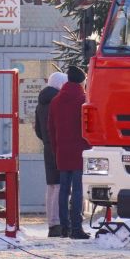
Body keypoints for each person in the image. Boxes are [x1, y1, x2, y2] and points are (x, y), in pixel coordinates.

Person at [49, 65, 91, 240]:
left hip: (62, 151)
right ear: (81, 82)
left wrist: (56, 149)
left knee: (63, 190)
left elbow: (51, 129)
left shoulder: (56, 101)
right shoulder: (84, 100)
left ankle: (64, 227)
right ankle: (76, 228)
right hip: (80, 152)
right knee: (78, 191)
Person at [35, 71, 68, 236]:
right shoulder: (58, 101)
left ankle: (52, 222)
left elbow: (38, 131)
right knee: (61, 185)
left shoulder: (41, 102)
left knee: (51, 185)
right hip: (59, 146)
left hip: (48, 147)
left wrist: (47, 141)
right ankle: (58, 223)